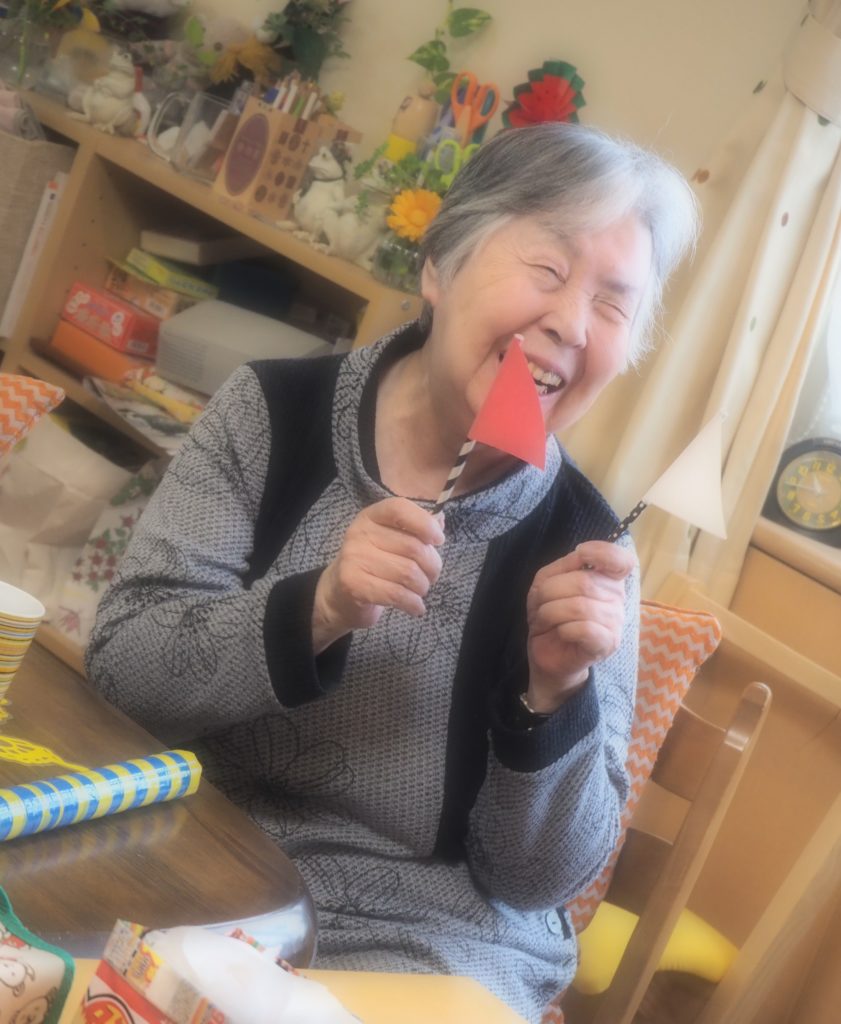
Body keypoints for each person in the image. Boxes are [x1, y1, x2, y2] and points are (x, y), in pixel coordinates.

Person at [86, 122, 699, 1022]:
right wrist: (317, 607)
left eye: (612, 306)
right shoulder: (273, 413)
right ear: (439, 266)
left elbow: (535, 883)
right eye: (547, 268)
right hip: (201, 853)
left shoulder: (586, 545)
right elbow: (121, 673)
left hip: (423, 930)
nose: (571, 322)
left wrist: (554, 696)